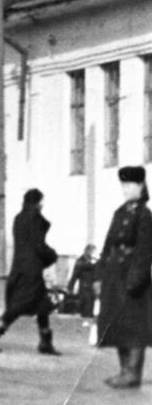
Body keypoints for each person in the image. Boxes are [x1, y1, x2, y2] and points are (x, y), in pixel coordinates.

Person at [0, 189, 61, 354]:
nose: (42, 204)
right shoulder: (35, 219)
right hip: (31, 270)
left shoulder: (20, 218)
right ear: (38, 202)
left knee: (42, 307)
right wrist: (51, 255)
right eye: (41, 201)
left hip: (21, 267)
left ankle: (45, 343)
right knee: (20, 305)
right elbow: (38, 245)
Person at [97, 165, 151, 389]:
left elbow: (144, 250)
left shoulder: (144, 215)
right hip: (114, 276)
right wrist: (100, 275)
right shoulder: (119, 212)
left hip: (133, 278)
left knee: (135, 326)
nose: (126, 189)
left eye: (131, 185)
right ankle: (123, 371)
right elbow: (108, 244)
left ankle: (133, 374)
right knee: (117, 323)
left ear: (140, 186)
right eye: (124, 185)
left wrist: (135, 280)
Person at [68, 244, 98, 324]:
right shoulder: (80, 261)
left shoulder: (93, 260)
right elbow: (74, 275)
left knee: (90, 306)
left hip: (92, 288)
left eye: (94, 251)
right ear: (87, 250)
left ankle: (87, 323)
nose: (93, 253)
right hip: (84, 288)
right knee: (86, 306)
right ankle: (84, 323)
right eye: (92, 251)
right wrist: (70, 287)